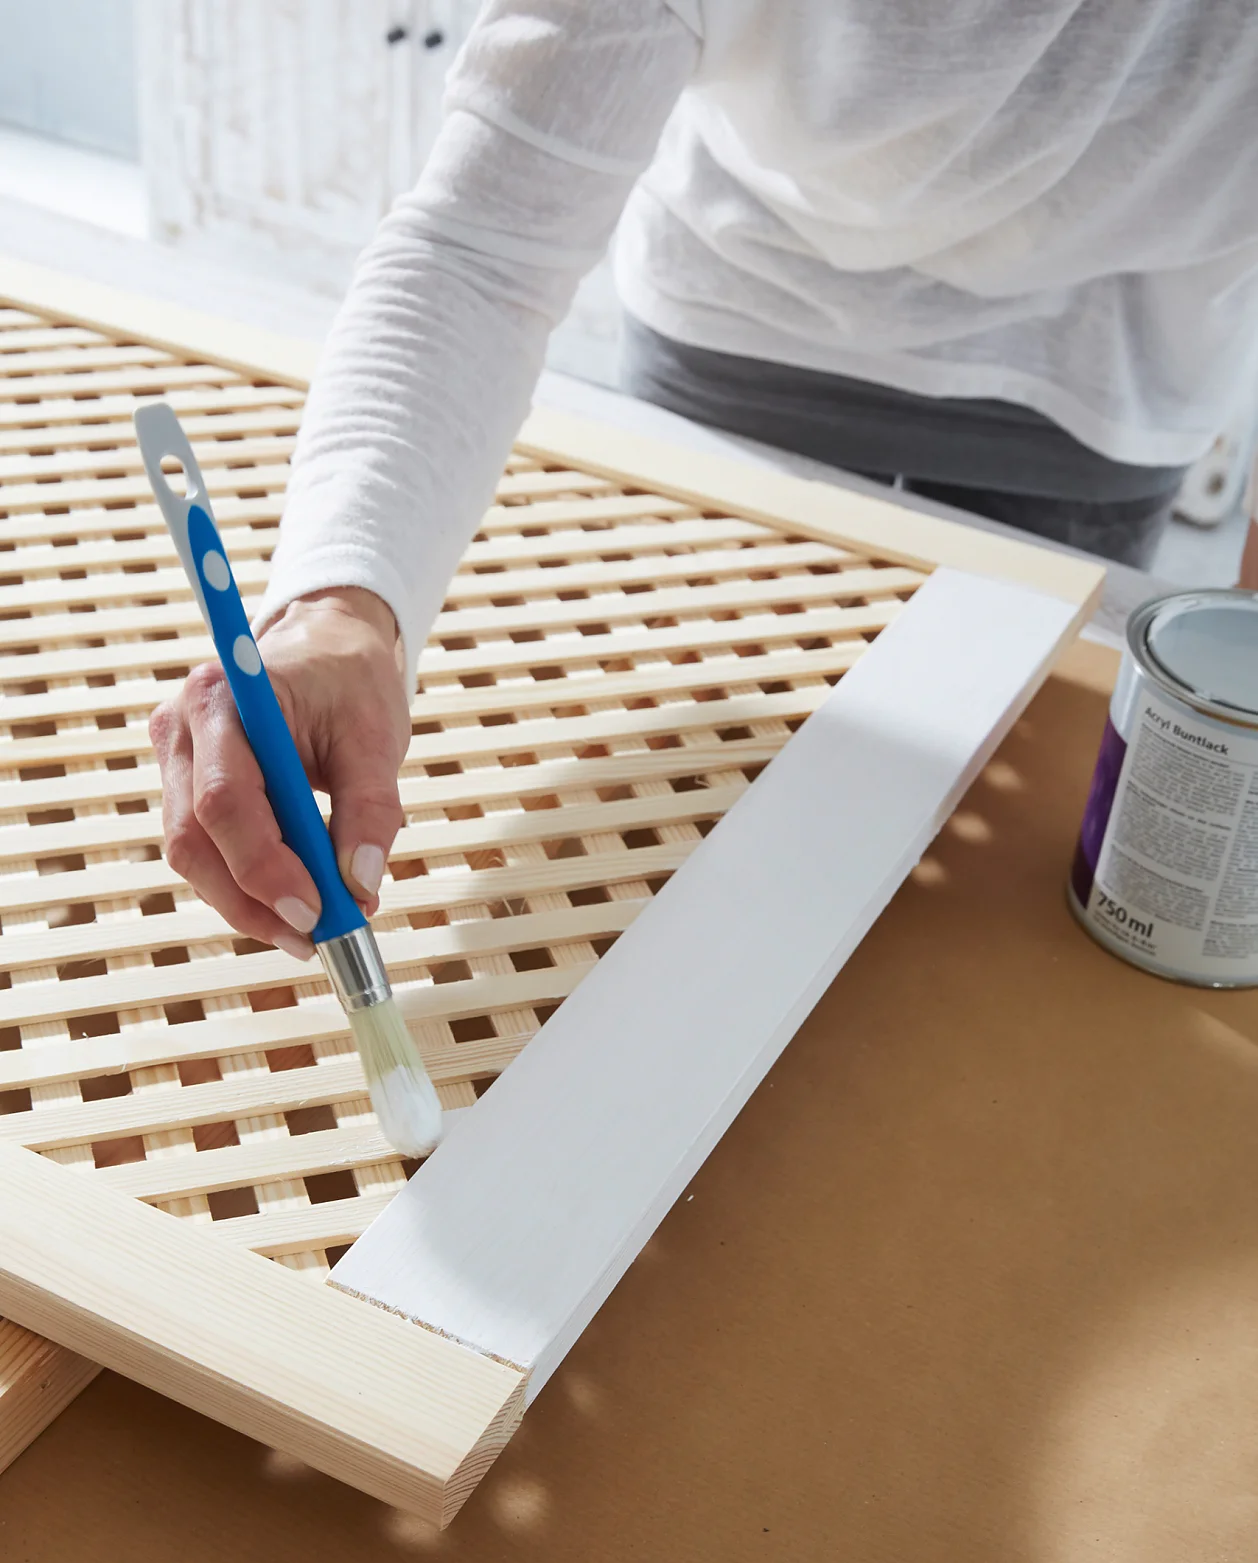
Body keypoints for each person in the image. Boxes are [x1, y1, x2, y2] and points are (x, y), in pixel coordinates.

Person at [151, 0, 1258, 959]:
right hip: (744, 320)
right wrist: (345, 604)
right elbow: (480, 252)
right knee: (678, 830)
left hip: (1108, 383)